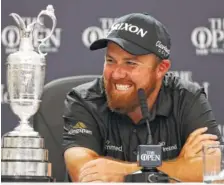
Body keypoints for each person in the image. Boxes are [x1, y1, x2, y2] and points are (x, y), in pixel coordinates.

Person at [62, 13, 222, 182]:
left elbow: (213, 172)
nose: (116, 73)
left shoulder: (187, 98)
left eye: (130, 63)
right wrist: (179, 166)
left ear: (161, 69)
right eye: (110, 60)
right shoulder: (83, 101)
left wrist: (124, 173)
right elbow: (85, 174)